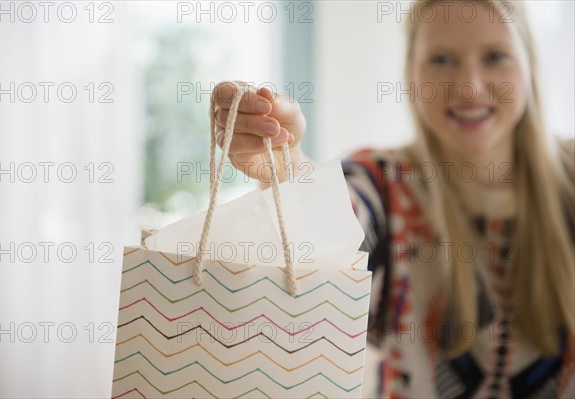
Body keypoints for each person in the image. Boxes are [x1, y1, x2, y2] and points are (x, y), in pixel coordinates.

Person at [211, 0, 574, 397]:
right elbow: (331, 225)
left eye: (494, 56)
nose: (470, 86)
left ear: (530, 65)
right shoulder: (382, 184)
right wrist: (284, 165)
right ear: (410, 74)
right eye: (441, 60)